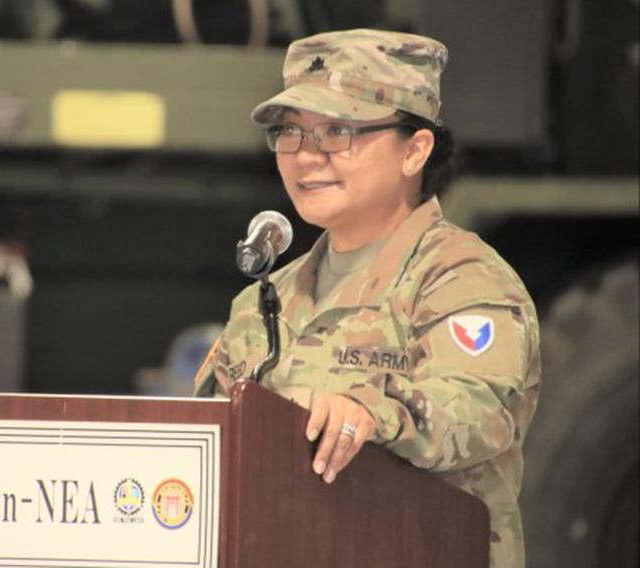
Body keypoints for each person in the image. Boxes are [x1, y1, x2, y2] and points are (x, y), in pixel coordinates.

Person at [193, 29, 541, 568]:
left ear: (415, 150)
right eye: (291, 131)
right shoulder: (263, 302)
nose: (307, 157)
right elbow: (207, 445)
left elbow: (479, 412)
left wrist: (370, 412)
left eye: (338, 131)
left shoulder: (461, 279)